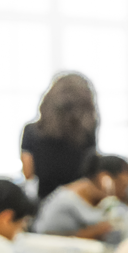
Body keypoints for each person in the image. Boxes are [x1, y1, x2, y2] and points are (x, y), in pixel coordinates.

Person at [22, 72, 99, 200]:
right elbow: (91, 174)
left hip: (45, 202)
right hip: (78, 200)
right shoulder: (87, 133)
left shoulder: (31, 131)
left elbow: (28, 174)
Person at [33, 153, 128, 244]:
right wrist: (95, 232)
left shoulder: (102, 202)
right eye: (124, 186)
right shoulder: (65, 201)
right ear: (105, 179)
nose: (126, 193)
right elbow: (44, 239)